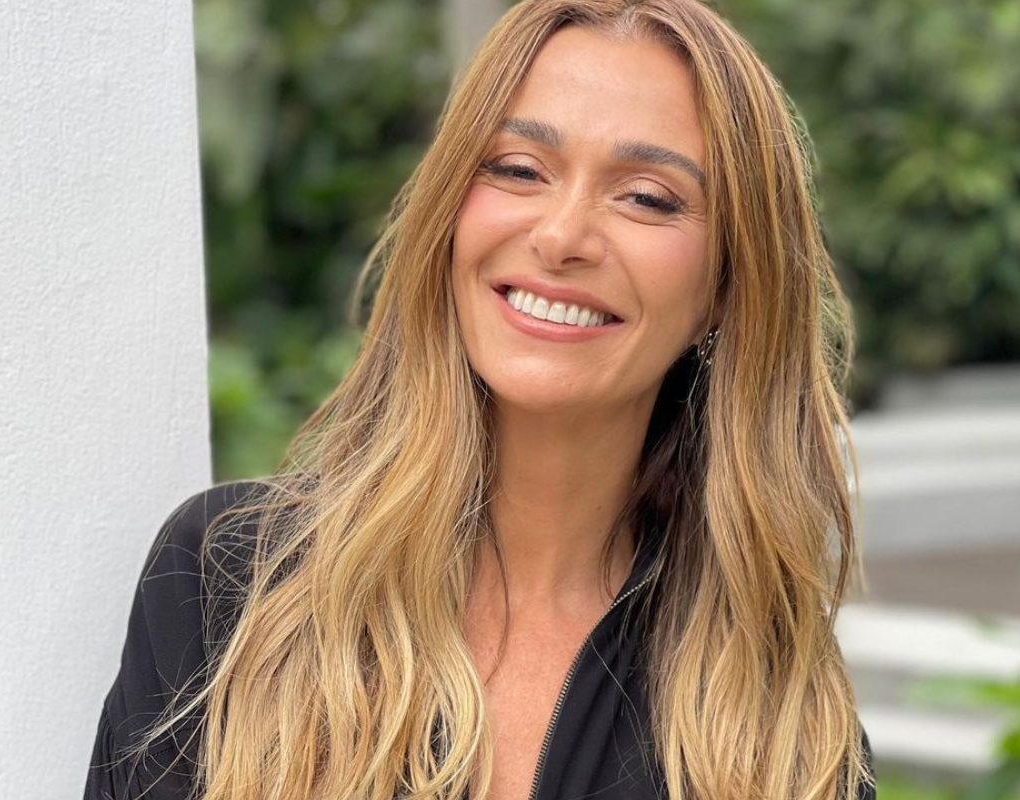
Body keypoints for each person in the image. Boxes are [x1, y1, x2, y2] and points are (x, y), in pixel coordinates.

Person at [84, 0, 876, 798]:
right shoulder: (231, 584)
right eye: (519, 169)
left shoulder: (782, 723)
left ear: (724, 290)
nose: (561, 236)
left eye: (646, 197)